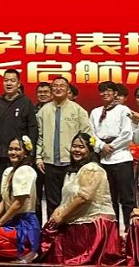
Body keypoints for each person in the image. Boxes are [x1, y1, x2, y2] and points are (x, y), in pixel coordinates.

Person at [39, 133, 124, 265]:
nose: (76, 150)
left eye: (81, 147)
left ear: (90, 150)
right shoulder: (72, 172)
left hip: (93, 226)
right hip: (77, 223)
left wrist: (62, 217)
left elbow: (84, 197)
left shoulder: (92, 168)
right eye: (74, 146)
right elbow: (66, 199)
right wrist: (57, 212)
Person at [36, 76, 91, 219]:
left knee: (71, 200)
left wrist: (82, 159)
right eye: (55, 86)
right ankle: (52, 229)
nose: (58, 88)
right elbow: (39, 136)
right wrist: (38, 157)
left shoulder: (78, 110)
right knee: (52, 201)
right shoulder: (44, 110)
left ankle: (70, 231)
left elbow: (87, 136)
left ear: (68, 89)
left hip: (71, 163)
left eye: (62, 86)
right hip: (49, 163)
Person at [0, 136, 41, 262]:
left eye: (17, 149)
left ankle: (28, 251)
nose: (13, 152)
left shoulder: (26, 170)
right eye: (10, 149)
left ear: (25, 153)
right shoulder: (9, 171)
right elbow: (5, 200)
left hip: (25, 223)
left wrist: (0, 222)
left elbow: (18, 203)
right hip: (13, 220)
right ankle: (17, 253)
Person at [0, 69, 38, 213]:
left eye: (12, 80)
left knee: (17, 194)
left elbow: (32, 129)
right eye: (6, 80)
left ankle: (15, 223)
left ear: (18, 84)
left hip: (19, 158)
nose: (9, 83)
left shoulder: (26, 103)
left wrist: (30, 154)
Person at [89, 81, 134, 231]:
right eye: (102, 91)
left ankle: (129, 229)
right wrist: (101, 146)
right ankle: (112, 230)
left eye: (109, 90)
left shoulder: (123, 110)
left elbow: (127, 134)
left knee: (127, 198)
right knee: (108, 198)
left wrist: (111, 147)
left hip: (121, 157)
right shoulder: (95, 112)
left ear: (115, 94)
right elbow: (91, 133)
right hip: (103, 159)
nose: (105, 93)